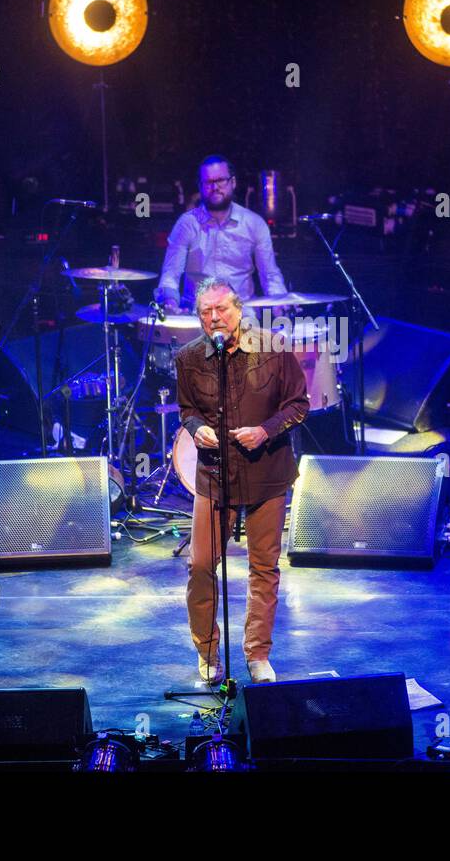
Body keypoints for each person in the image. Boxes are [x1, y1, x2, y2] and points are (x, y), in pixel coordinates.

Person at [175, 276, 308, 685]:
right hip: (215, 474)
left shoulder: (273, 348)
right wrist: (196, 428)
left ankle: (258, 654)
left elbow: (299, 404)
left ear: (239, 309)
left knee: (263, 567)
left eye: (222, 310)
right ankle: (209, 652)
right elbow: (186, 410)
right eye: (206, 312)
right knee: (200, 566)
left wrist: (265, 430)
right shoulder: (188, 357)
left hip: (266, 471)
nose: (214, 318)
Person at [155, 155, 288, 314]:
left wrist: (281, 306)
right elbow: (170, 275)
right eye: (209, 182)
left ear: (233, 182)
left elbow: (270, 275)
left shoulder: (254, 223)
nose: (215, 187)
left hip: (242, 313)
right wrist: (170, 302)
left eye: (221, 180)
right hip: (196, 314)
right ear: (200, 186)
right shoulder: (187, 224)